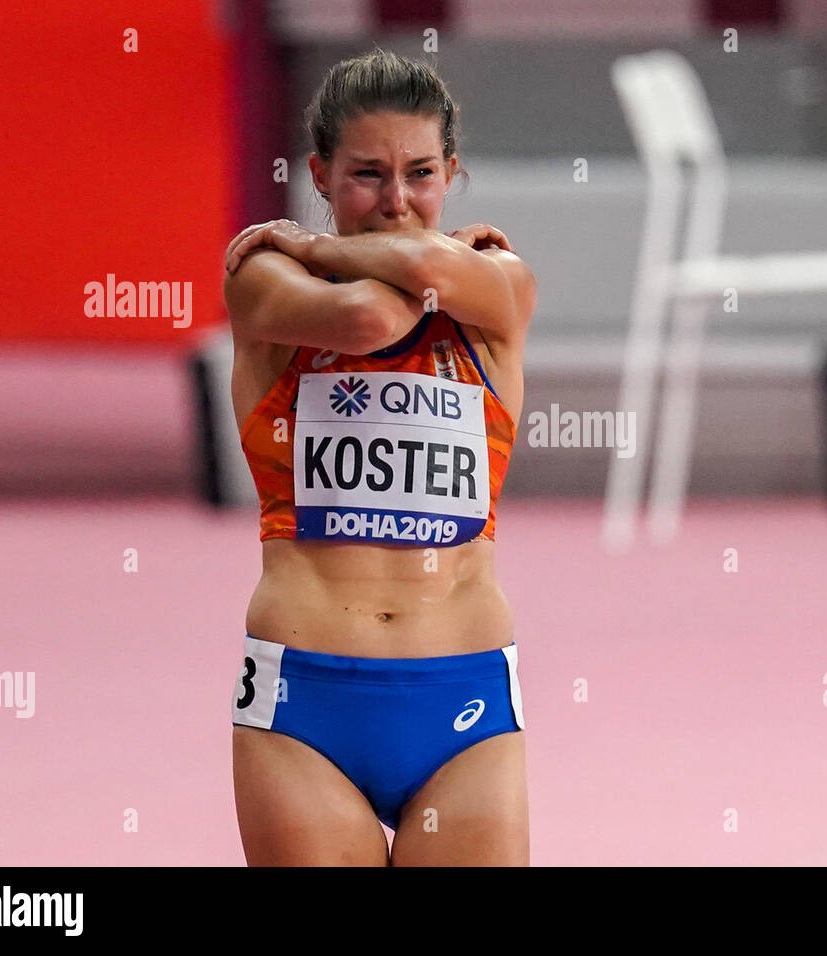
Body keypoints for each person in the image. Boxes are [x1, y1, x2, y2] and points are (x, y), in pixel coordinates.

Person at [221, 49, 535, 865]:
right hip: (304, 705)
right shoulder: (263, 280)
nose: (396, 201)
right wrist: (393, 260)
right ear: (319, 175)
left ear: (452, 173)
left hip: (465, 704)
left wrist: (317, 244)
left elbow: (426, 268)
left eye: (420, 174)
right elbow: (368, 321)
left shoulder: (501, 282)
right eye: (366, 175)